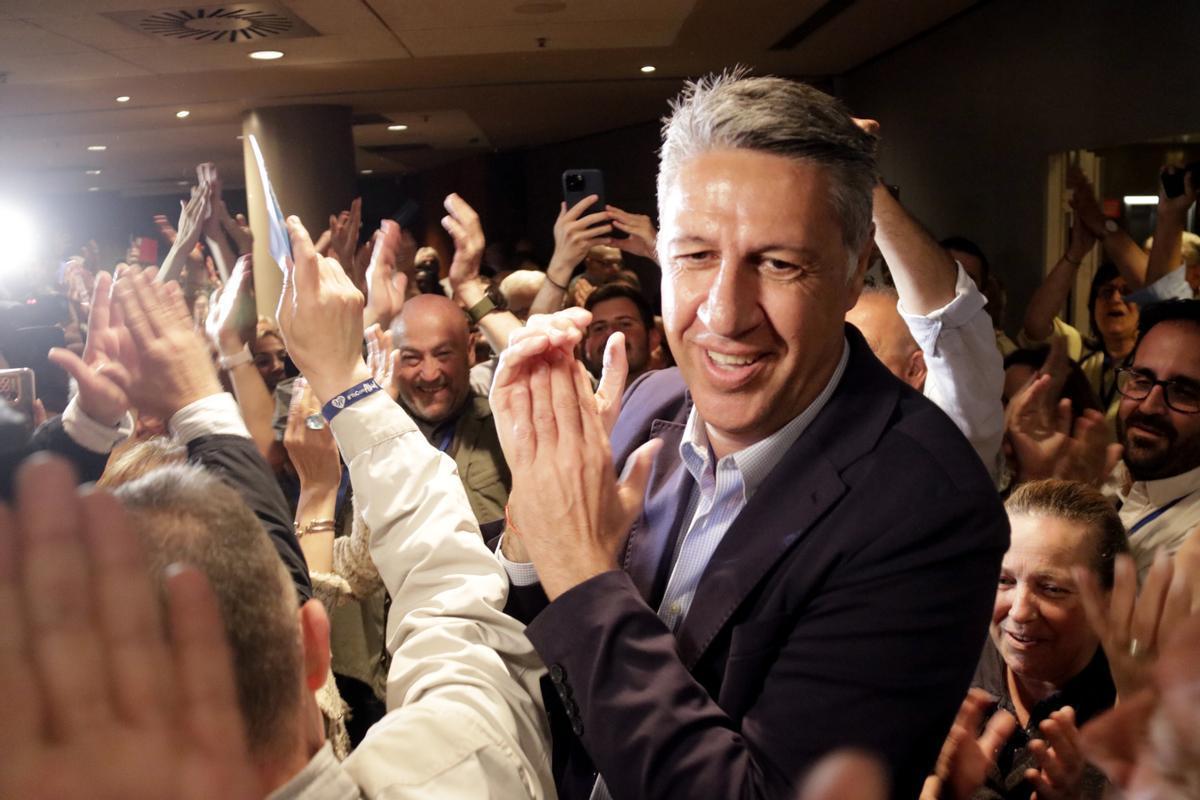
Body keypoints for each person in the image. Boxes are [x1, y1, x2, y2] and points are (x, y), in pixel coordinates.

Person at [492, 72, 1009, 800]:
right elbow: (554, 678)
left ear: (856, 268)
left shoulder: (928, 506)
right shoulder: (647, 400)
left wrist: (577, 566)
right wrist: (529, 533)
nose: (725, 314)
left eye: (778, 263)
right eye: (696, 256)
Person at [935, 479, 1124, 800]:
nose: (1020, 612)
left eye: (1051, 589)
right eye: (1005, 580)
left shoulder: (1135, 722)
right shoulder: (939, 666)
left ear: (1111, 600)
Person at [846, 156, 1004, 479]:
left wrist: (858, 172)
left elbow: (945, 317)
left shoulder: (941, 439)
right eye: (841, 347)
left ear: (916, 369)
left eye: (864, 350)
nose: (843, 363)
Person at [387, 292, 510, 524]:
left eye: (443, 354)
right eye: (412, 358)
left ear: (470, 351)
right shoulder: (372, 440)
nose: (430, 374)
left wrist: (470, 287)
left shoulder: (505, 429)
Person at [1110, 299, 1200, 579]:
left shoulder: (1191, 547)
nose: (1149, 406)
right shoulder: (1110, 476)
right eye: (1142, 380)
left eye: (1183, 391)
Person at [582, 281, 662, 384]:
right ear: (587, 346)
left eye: (625, 324)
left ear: (652, 338)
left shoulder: (681, 393)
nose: (611, 334)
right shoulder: (572, 398)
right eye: (599, 328)